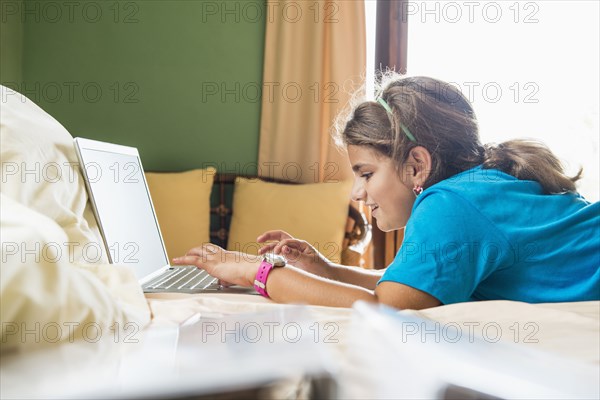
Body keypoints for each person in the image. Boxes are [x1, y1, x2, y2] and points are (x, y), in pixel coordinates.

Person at [173, 75, 599, 309]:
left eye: (366, 173)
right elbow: (405, 289)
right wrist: (324, 270)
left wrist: (257, 273)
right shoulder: (474, 190)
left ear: (416, 164)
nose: (358, 192)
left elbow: (385, 311)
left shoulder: (451, 204)